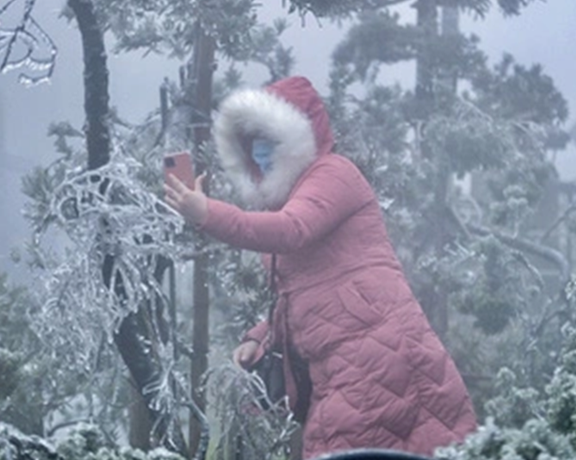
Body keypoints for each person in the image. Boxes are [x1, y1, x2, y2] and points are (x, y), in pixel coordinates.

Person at [164, 76, 477, 459]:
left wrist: (207, 214)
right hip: (347, 364)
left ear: (298, 136)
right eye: (253, 145)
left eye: (269, 140)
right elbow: (304, 296)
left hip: (376, 356)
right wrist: (260, 338)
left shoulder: (333, 173)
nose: (260, 153)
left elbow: (292, 231)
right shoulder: (292, 197)